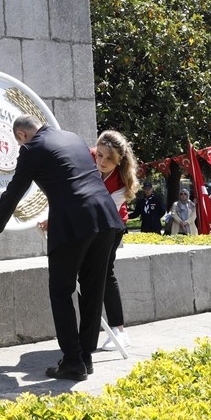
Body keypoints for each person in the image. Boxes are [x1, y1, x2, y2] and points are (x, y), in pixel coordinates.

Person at [0, 114, 123, 382]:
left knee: (61, 290)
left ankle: (72, 361)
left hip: (74, 223)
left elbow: (14, 191)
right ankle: (85, 357)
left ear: (22, 135)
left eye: (18, 142)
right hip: (106, 217)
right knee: (93, 290)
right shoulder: (72, 137)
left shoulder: (31, 149)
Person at [92, 130, 139, 350]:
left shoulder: (122, 180)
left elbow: (103, 209)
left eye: (109, 159)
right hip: (88, 222)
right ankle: (90, 329)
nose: (101, 161)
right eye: (100, 155)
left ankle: (120, 332)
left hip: (110, 224)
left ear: (119, 160)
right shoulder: (89, 157)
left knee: (105, 273)